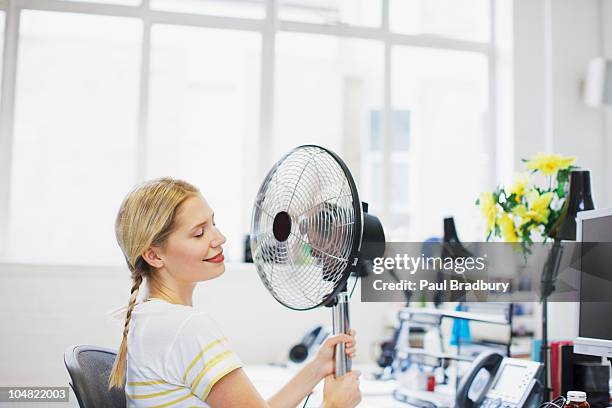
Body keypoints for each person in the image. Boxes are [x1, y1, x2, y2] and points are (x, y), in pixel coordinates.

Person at [107, 177, 362, 408]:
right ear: (154, 255)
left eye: (213, 224)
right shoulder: (186, 327)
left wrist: (316, 369)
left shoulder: (149, 317)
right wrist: (334, 405)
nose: (220, 238)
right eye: (199, 233)